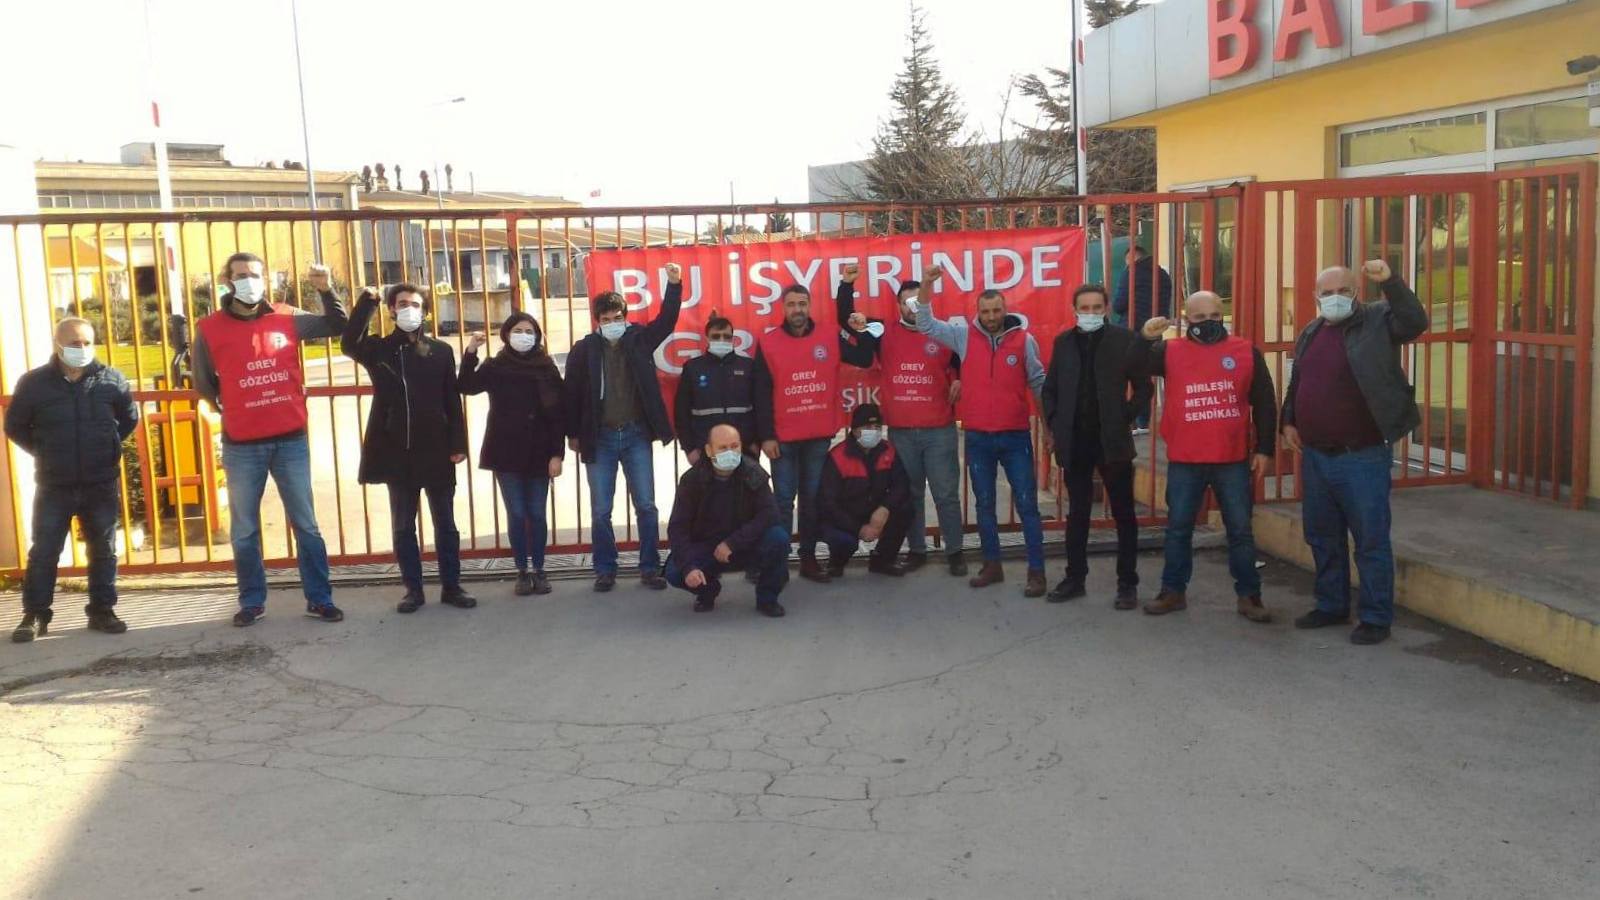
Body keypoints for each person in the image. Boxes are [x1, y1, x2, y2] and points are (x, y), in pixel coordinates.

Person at [192, 254, 347, 627]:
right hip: (242, 444)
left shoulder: (287, 316)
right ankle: (252, 601)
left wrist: (326, 290)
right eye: (240, 275)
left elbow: (336, 324)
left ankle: (320, 598)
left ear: (265, 279)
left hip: (290, 440)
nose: (249, 280)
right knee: (244, 530)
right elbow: (204, 382)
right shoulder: (209, 328)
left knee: (306, 525)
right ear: (227, 281)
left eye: (255, 274)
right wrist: (232, 406)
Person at [1282, 260, 1428, 646]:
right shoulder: (1312, 331)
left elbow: (1414, 322)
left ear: (1357, 293)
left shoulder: (1378, 321)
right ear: (1316, 297)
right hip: (1317, 456)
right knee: (1322, 535)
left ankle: (1376, 617)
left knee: (1370, 539)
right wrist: (1289, 419)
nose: (1335, 298)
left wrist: (1391, 282)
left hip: (1361, 456)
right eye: (1327, 293)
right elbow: (1298, 380)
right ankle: (1331, 605)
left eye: (1343, 291)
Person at [1136, 292, 1277, 623]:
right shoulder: (1169, 351)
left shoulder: (1246, 351)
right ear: (1187, 320)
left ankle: (1249, 595)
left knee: (1240, 530)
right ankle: (1172, 591)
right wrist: (1145, 338)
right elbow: (1134, 365)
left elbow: (1265, 402)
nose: (1209, 323)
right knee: (1178, 529)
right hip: (1186, 458)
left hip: (1232, 458)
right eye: (1200, 318)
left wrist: (1265, 449)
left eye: (1215, 316)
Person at [914, 265, 1049, 598]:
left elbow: (1038, 384)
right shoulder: (963, 337)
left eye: (996, 310)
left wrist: (1048, 428)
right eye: (985, 311)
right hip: (978, 438)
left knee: (1027, 505)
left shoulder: (1024, 340)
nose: (991, 317)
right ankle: (992, 565)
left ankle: (1037, 571)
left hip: (1015, 436)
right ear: (978, 312)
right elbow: (925, 324)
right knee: (984, 504)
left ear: (1005, 310)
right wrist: (926, 285)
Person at [5, 318, 138, 642]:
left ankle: (102, 611)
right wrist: (44, 450)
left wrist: (106, 447)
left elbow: (128, 419)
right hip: (55, 483)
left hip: (99, 482)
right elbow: (15, 426)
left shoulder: (111, 379)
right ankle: (36, 615)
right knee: (45, 551)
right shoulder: (34, 384)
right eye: (74, 343)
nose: (82, 349)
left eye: (87, 343)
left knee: (103, 549)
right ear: (58, 344)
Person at [344, 284, 472, 614]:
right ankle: (413, 590)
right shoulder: (379, 350)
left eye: (415, 304)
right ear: (391, 310)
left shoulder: (441, 351)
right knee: (403, 526)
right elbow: (349, 343)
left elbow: (451, 399)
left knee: (446, 524)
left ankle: (452, 586)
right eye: (402, 304)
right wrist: (367, 302)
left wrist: (458, 443)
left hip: (437, 449)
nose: (409, 309)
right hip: (396, 450)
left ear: (425, 312)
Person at [564, 262, 684, 592]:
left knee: (646, 504)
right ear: (597, 321)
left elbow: (667, 320)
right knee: (601, 510)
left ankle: (649, 567)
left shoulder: (639, 340)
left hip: (635, 435)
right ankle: (605, 569)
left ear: (625, 317)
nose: (612, 324)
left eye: (617, 318)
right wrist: (573, 433)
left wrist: (674, 285)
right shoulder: (584, 350)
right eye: (606, 319)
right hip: (599, 437)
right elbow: (571, 393)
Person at [839, 270, 967, 576]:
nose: (912, 307)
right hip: (902, 431)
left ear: (925, 302)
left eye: (916, 301)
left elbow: (966, 361)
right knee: (910, 494)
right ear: (898, 306)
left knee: (946, 495)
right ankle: (917, 550)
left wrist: (960, 379)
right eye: (906, 302)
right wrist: (846, 286)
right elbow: (848, 320)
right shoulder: (882, 331)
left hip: (939, 430)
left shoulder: (944, 332)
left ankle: (955, 552)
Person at [752, 277, 877, 583]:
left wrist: (862, 330)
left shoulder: (829, 335)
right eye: (792, 304)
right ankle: (777, 562)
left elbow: (863, 358)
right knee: (783, 501)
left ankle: (807, 558)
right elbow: (760, 393)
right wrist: (766, 436)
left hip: (818, 436)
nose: (797, 309)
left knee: (811, 500)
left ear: (809, 306)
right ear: (783, 308)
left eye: (802, 304)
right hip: (783, 439)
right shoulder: (768, 342)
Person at [1041, 284, 1153, 608]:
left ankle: (1127, 584)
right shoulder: (1063, 343)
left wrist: (1125, 416)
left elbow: (1144, 387)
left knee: (1124, 513)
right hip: (1076, 441)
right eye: (1084, 308)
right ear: (1074, 310)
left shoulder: (1124, 340)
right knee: (1078, 513)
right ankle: (1074, 578)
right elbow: (1050, 389)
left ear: (1105, 309)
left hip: (1112, 441)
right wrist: (1056, 423)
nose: (1090, 313)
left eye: (1096, 307)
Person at [459, 312, 566, 597]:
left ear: (537, 336)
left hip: (540, 452)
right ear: (507, 334)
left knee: (537, 513)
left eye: (529, 331)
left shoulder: (546, 367)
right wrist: (471, 352)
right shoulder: (496, 366)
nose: (523, 336)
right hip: (505, 451)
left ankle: (539, 569)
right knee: (517, 513)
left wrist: (557, 454)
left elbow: (558, 414)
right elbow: (466, 386)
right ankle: (522, 570)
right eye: (518, 330)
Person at [664, 424, 792, 618]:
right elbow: (677, 528)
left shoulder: (753, 472)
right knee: (675, 571)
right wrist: (689, 567)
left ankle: (767, 599)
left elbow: (769, 514)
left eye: (734, 446)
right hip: (707, 547)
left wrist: (733, 542)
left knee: (779, 539)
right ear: (709, 450)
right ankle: (707, 591)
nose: (730, 452)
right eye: (723, 448)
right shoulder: (692, 480)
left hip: (744, 543)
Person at [816, 403, 914, 578]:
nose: (873, 431)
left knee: (906, 507)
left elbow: (902, 485)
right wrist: (858, 528)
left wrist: (885, 508)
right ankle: (836, 562)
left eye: (877, 427)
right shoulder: (838, 456)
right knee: (843, 541)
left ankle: (883, 560)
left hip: (875, 511)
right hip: (846, 516)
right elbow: (828, 503)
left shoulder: (888, 450)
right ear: (855, 430)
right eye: (867, 427)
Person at [674, 312, 761, 461]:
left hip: (744, 447)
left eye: (726, 336)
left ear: (732, 338)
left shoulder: (748, 366)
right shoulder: (692, 368)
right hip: (705, 449)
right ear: (707, 338)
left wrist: (756, 443)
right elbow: (681, 413)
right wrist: (689, 449)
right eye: (716, 336)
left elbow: (761, 406)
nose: (722, 340)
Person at [1112, 243, 1174, 433]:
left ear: (1131, 258)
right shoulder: (1163, 275)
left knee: (1121, 373)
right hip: (1155, 329)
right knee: (1144, 374)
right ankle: (1143, 421)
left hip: (1130, 329)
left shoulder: (1131, 272)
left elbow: (1118, 305)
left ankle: (1126, 419)